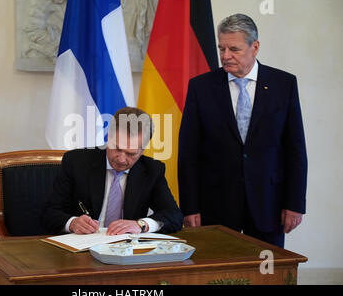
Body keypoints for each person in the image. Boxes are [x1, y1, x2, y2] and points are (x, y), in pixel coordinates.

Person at [178, 14, 307, 247]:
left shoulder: (283, 85)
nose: (225, 56)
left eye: (234, 49)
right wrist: (190, 207)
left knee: (266, 275)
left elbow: (295, 149)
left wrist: (295, 203)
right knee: (217, 277)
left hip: (269, 203)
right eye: (221, 48)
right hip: (216, 205)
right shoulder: (201, 87)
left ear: (254, 47)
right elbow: (188, 154)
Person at [42, 107, 183, 235]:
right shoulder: (76, 162)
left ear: (142, 150)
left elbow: (174, 215)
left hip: (126, 252)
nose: (121, 159)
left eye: (131, 153)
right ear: (108, 136)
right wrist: (72, 223)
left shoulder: (152, 170)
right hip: (81, 248)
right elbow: (49, 213)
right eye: (117, 148)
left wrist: (141, 224)